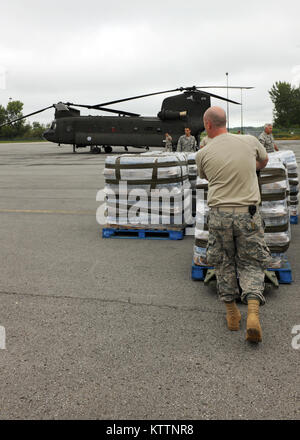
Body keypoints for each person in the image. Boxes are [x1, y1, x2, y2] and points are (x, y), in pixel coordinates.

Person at [195, 106, 271, 343]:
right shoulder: (249, 141)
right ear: (225, 122)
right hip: (248, 214)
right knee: (251, 263)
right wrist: (250, 168)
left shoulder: (203, 153)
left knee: (223, 262)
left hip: (219, 215)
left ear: (208, 125)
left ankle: (231, 314)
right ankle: (252, 314)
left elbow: (207, 176)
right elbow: (264, 161)